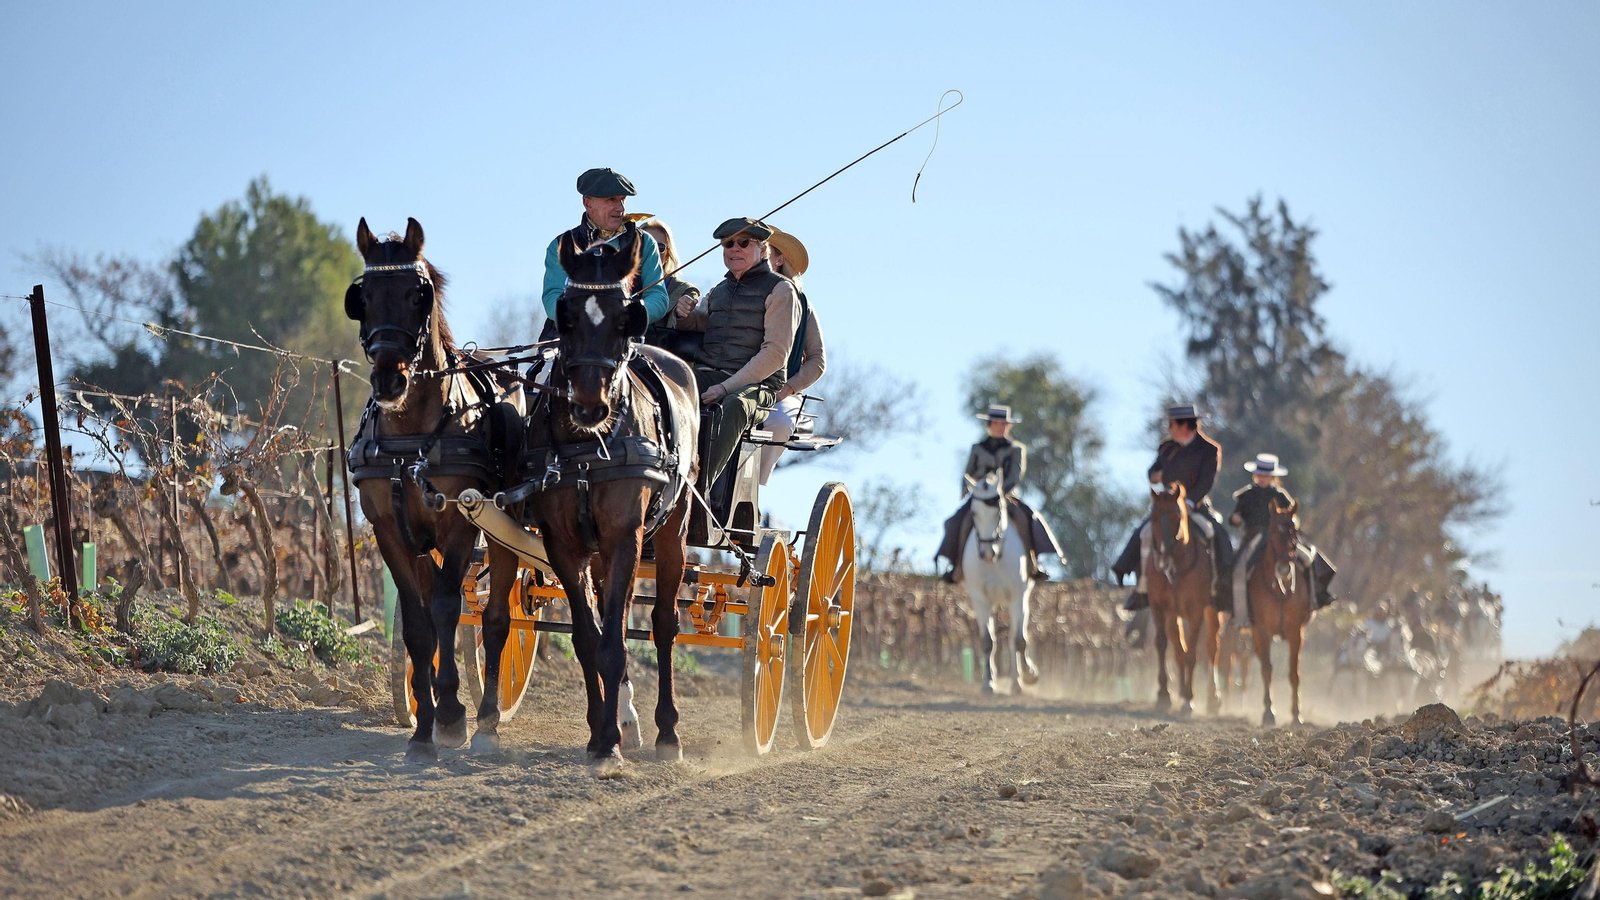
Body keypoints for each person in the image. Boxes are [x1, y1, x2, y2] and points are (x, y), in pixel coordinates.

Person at [673, 217, 799, 488]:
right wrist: (682, 314)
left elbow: (776, 354)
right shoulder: (719, 289)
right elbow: (698, 323)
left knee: (735, 406)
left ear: (763, 250)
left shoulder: (781, 290)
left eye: (744, 242)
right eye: (728, 244)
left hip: (757, 386)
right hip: (707, 374)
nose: (734, 249)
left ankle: (695, 492)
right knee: (660, 390)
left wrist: (725, 387)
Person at [1109, 404, 1234, 611]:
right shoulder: (1166, 448)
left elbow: (1206, 482)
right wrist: (1157, 478)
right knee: (1143, 533)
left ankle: (1222, 589)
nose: (1168, 428)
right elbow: (1152, 473)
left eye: (1171, 424)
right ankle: (1139, 586)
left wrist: (1186, 500)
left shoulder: (1209, 450)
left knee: (1218, 535)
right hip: (1166, 507)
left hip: (1196, 505)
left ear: (1185, 425)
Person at [935, 404, 1062, 583]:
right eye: (995, 423)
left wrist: (1000, 492)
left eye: (1003, 424)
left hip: (1007, 496)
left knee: (1027, 518)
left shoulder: (1016, 449)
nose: (999, 427)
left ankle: (1032, 564)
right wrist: (965, 487)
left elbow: (1016, 475)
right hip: (979, 496)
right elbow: (968, 473)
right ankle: (956, 567)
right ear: (989, 425)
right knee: (958, 521)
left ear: (1007, 426)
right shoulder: (977, 448)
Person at [540, 168, 671, 331]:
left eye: (622, 200)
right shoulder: (561, 245)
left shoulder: (645, 243)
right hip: (567, 341)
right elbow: (553, 296)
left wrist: (628, 316)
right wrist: (581, 317)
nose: (620, 208)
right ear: (587, 203)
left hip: (626, 341)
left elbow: (658, 296)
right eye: (612, 200)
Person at [1226, 452, 1338, 624]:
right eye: (1261, 474)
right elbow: (1234, 516)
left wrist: (1293, 524)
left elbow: (1295, 518)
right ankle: (1238, 611)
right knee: (1238, 567)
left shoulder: (1281, 496)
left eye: (1267, 475)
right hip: (1253, 538)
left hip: (1281, 539)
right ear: (1255, 475)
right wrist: (1235, 519)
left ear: (1273, 477)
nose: (1263, 478)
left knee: (1308, 559)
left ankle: (1316, 597)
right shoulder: (1246, 496)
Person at [756, 228, 825, 484]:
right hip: (737, 384)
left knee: (781, 420)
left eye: (764, 251)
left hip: (778, 391)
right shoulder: (733, 294)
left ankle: (753, 489)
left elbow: (818, 359)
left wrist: (790, 387)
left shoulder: (802, 306)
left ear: (779, 259)